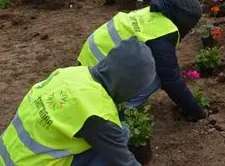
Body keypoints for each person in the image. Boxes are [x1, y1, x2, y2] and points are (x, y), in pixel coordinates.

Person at [0, 38, 156, 166]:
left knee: (121, 132)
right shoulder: (98, 112)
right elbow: (124, 162)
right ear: (128, 85)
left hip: (6, 154)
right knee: (114, 150)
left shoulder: (70, 73)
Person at [78, 0, 207, 122]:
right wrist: (196, 111)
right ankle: (123, 107)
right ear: (183, 20)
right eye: (190, 27)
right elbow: (170, 80)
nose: (189, 32)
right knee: (156, 73)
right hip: (97, 79)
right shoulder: (162, 32)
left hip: (87, 63)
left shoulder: (153, 12)